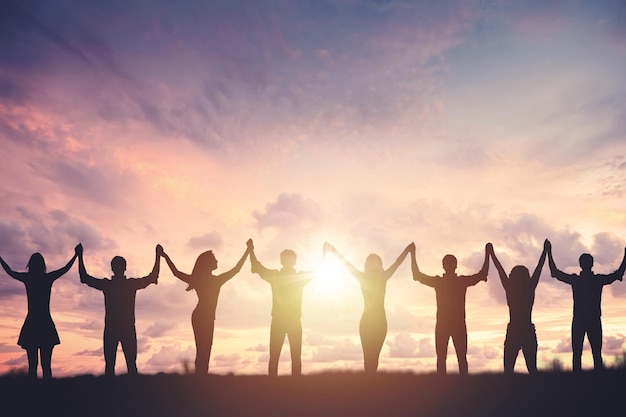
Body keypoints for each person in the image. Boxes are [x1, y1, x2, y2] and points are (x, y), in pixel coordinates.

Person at [160, 240, 252, 374]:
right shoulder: (214, 280)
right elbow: (176, 272)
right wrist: (248, 250)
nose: (217, 261)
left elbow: (176, 272)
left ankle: (202, 377)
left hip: (203, 317)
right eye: (214, 259)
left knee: (204, 349)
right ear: (208, 264)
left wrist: (165, 255)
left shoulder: (207, 279)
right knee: (203, 349)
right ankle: (201, 378)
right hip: (202, 317)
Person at [323, 241, 413, 373]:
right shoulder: (366, 277)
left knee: (374, 358)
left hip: (379, 322)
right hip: (368, 322)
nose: (373, 264)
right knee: (368, 358)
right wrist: (333, 250)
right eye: (371, 261)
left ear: (379, 264)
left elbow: (397, 263)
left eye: (375, 261)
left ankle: (371, 385)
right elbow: (346, 263)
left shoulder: (381, 277)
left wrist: (407, 250)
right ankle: (368, 385)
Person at [77, 244, 161, 376]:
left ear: (112, 268)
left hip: (112, 328)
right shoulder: (130, 284)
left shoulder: (108, 285)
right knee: (130, 365)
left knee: (110, 366)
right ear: (125, 268)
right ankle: (132, 393)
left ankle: (111, 393)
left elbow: (84, 277)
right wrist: (158, 255)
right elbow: (153, 276)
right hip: (126, 328)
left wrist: (79, 256)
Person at [0, 245, 79, 379]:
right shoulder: (47, 278)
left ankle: (34, 394)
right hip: (45, 324)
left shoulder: (28, 278)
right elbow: (65, 269)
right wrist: (76, 255)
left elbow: (10, 271)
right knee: (46, 365)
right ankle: (46, 394)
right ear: (43, 265)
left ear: (30, 265)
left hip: (32, 324)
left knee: (33, 365)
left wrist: (0, 258)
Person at [547, 240, 626, 371]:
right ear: (591, 264)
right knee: (595, 354)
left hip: (580, 319)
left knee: (578, 354)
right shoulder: (597, 280)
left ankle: (579, 382)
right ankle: (597, 381)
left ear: (580, 265)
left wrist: (549, 252)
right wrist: (625, 256)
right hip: (592, 320)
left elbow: (555, 272)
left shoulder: (576, 280)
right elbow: (618, 274)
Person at [410, 244, 489, 375]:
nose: (449, 265)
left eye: (450, 263)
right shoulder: (447, 281)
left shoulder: (455, 281)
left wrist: (488, 253)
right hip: (446, 325)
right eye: (447, 263)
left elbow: (482, 274)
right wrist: (488, 253)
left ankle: (459, 386)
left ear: (454, 265)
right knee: (447, 359)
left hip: (453, 325)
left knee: (457, 359)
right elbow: (417, 275)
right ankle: (447, 386)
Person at [249, 240, 315, 376]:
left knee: (277, 357)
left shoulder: (276, 276)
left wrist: (251, 250)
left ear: (281, 261)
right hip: (290, 322)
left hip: (284, 321)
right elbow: (319, 271)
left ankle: (277, 385)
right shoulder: (297, 277)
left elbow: (256, 266)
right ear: (294, 262)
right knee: (291, 357)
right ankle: (293, 385)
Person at [487, 241, 548, 374]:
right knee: (532, 369)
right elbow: (539, 267)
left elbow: (499, 269)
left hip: (514, 329)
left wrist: (491, 254)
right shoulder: (529, 287)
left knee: (508, 371)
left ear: (512, 276)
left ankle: (509, 393)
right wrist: (545, 252)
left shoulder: (510, 288)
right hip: (527, 329)